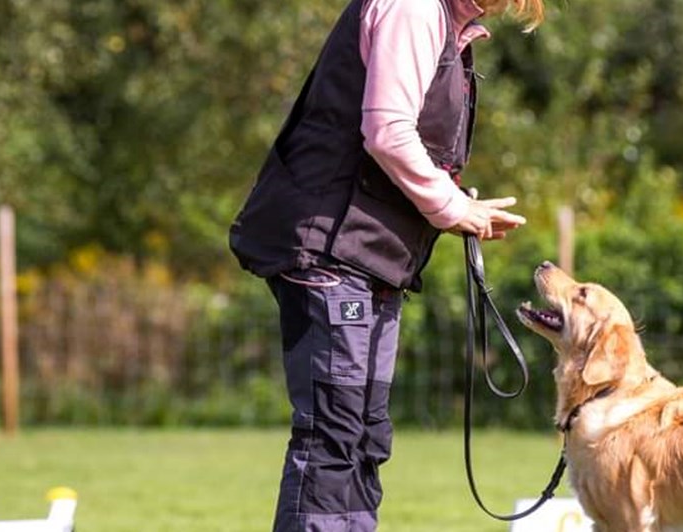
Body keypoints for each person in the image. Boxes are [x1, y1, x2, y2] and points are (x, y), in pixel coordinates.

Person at [228, 1, 545, 530]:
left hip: (370, 258)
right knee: (333, 434)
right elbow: (388, 133)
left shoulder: (451, 30)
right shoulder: (413, 8)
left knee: (363, 435)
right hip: (330, 246)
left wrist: (457, 203)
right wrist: (451, 208)